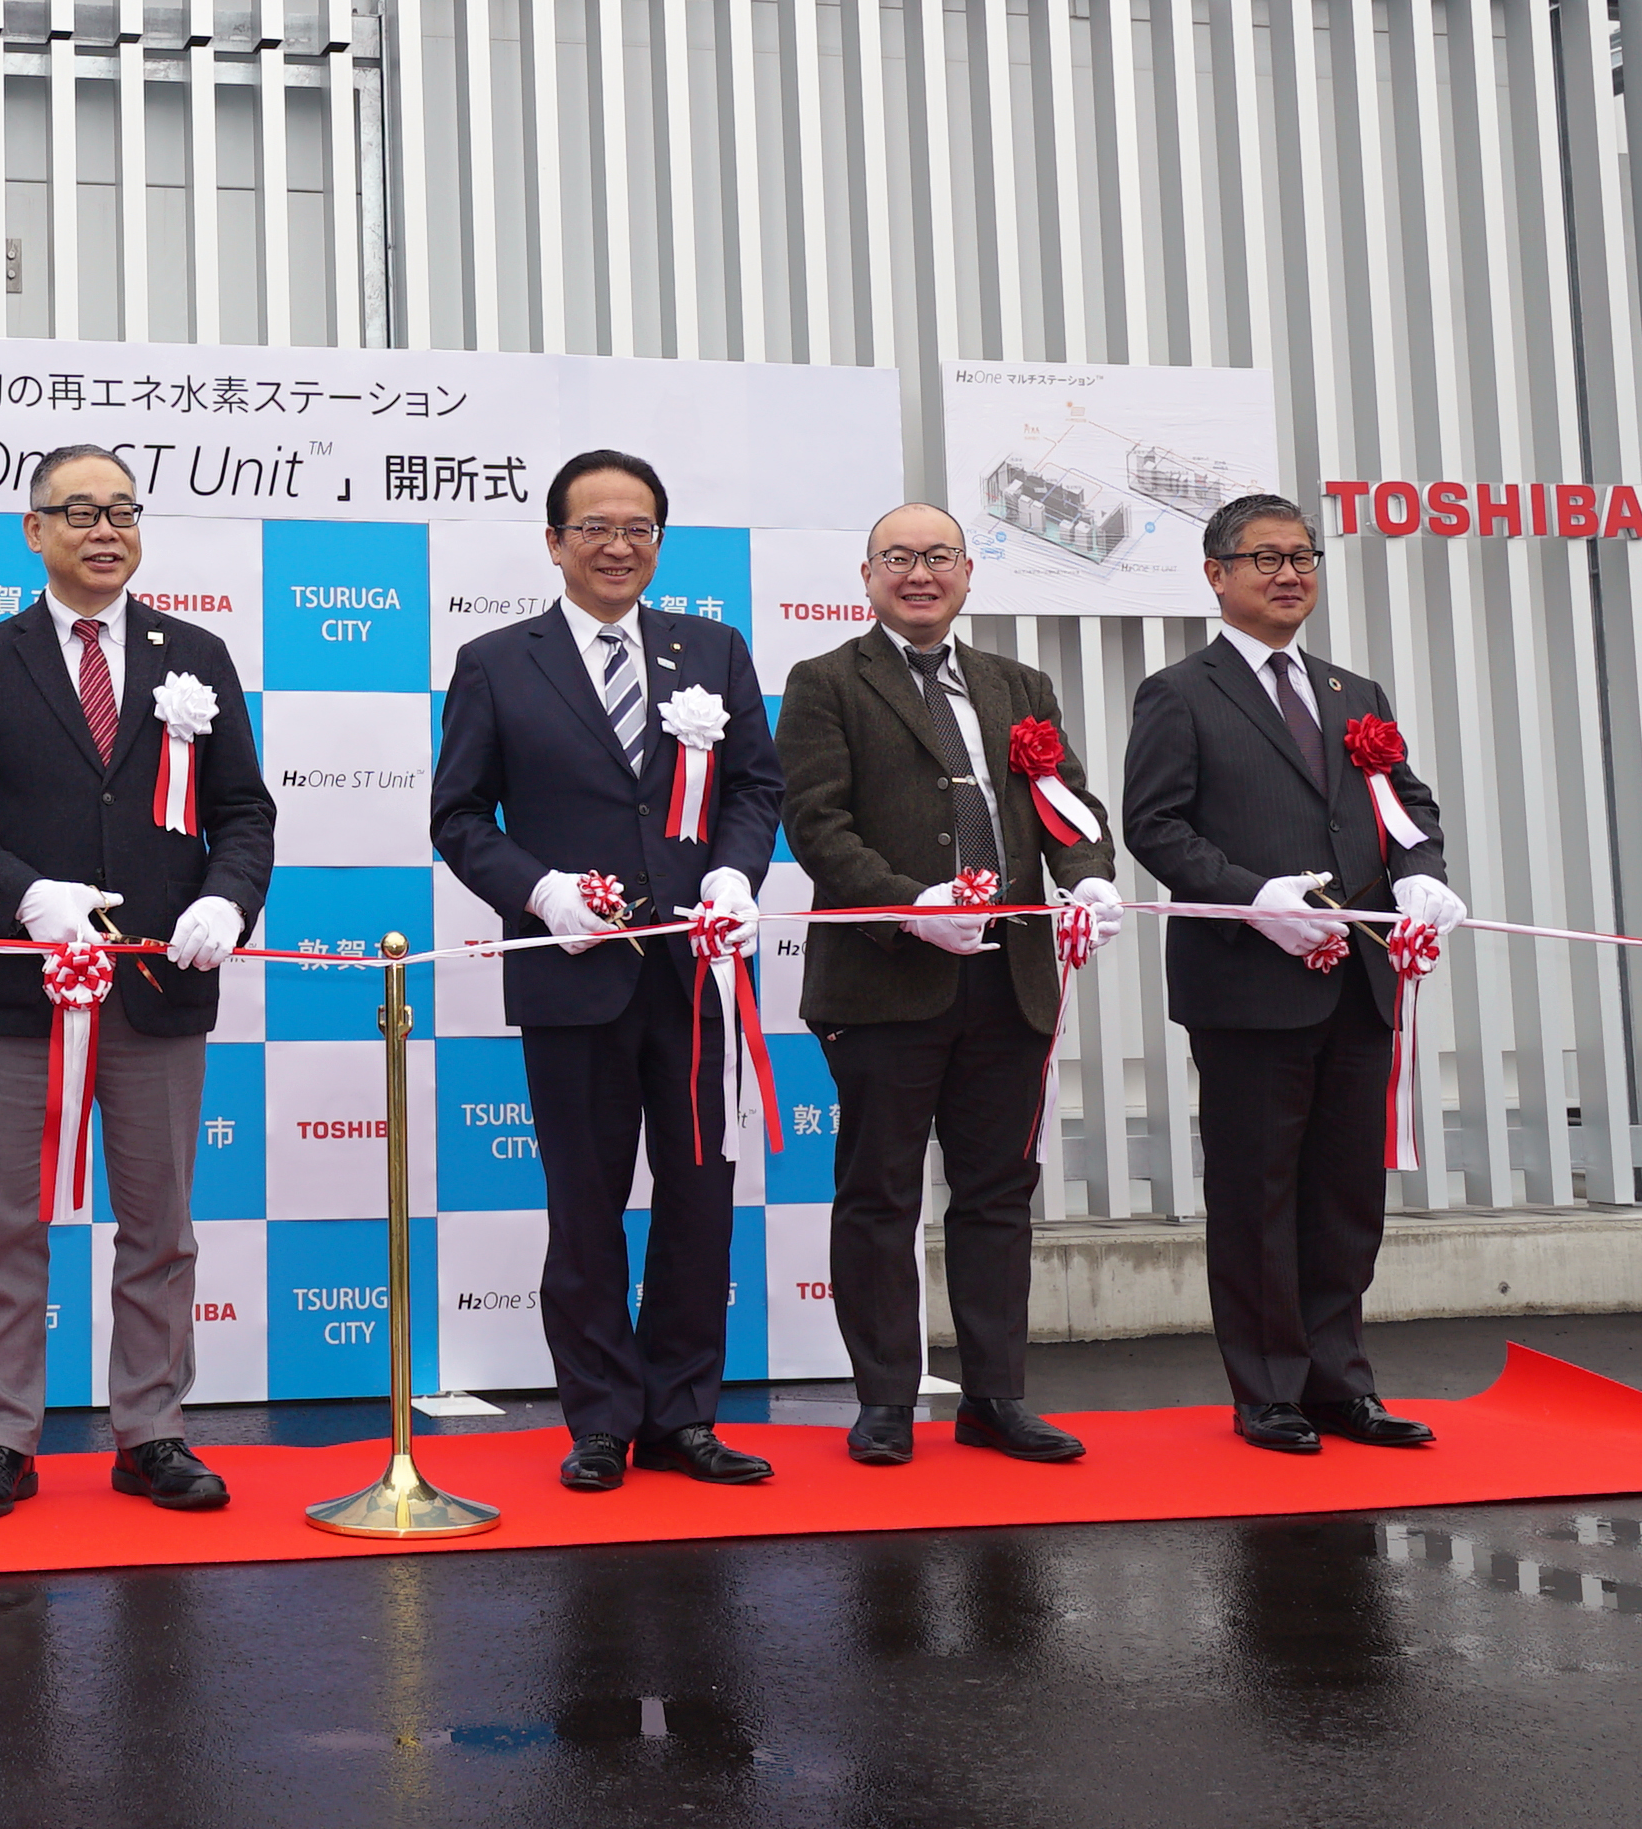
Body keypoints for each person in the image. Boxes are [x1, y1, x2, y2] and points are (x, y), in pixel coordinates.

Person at [0, 443, 273, 1520]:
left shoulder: (194, 654)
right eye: (79, 510)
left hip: (161, 987)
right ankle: (4, 1437)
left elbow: (243, 812)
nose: (103, 528)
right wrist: (27, 897)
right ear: (35, 530)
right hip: (28, 990)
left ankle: (150, 1429)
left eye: (121, 508)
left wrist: (224, 901)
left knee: (159, 1222)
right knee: (7, 1219)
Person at [430, 448, 786, 1494]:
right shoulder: (499, 659)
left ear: (659, 542)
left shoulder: (712, 649)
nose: (617, 544)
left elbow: (754, 787)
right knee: (581, 1205)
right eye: (593, 526)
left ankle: (683, 1416)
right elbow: (457, 817)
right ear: (553, 542)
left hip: (697, 975)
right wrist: (541, 893)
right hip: (570, 976)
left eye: (637, 527)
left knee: (698, 1197)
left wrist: (732, 873)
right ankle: (597, 1418)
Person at [772, 503, 1126, 1468]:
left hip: (1009, 980)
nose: (918, 573)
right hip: (887, 979)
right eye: (898, 557)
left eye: (937, 557)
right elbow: (815, 825)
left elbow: (1067, 804)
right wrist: (910, 904)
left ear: (968, 572)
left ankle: (996, 1398)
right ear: (868, 573)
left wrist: (1088, 872)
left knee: (997, 1195)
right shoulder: (824, 682)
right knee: (880, 1196)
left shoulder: (1021, 684)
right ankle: (885, 1401)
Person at [1121, 493, 1466, 1455]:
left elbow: (1405, 806)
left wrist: (1424, 879)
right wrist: (1251, 898)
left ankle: (1338, 1384)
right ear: (1216, 575)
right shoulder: (1180, 692)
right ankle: (1266, 1389)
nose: (1286, 574)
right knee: (1258, 1194)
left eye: (1302, 556)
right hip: (1248, 983)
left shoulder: (1356, 693)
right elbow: (1154, 825)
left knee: (1345, 1194)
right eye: (1263, 558)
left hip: (1359, 980)